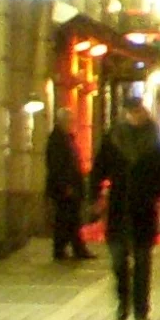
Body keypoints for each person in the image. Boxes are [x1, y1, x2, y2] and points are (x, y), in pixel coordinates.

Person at [87, 99, 160, 320]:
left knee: (143, 261)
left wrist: (154, 192)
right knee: (118, 261)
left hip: (143, 208)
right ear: (125, 114)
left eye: (138, 111)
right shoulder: (113, 138)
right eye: (131, 112)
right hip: (118, 207)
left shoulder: (155, 139)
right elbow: (98, 169)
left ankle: (141, 311)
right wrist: (94, 196)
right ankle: (122, 303)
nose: (135, 116)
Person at [44, 107, 92, 261]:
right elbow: (57, 166)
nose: (72, 123)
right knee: (65, 219)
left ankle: (74, 248)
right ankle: (63, 249)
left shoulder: (67, 138)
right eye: (70, 121)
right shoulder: (57, 140)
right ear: (61, 121)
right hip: (64, 188)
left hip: (71, 186)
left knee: (71, 219)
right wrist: (65, 186)